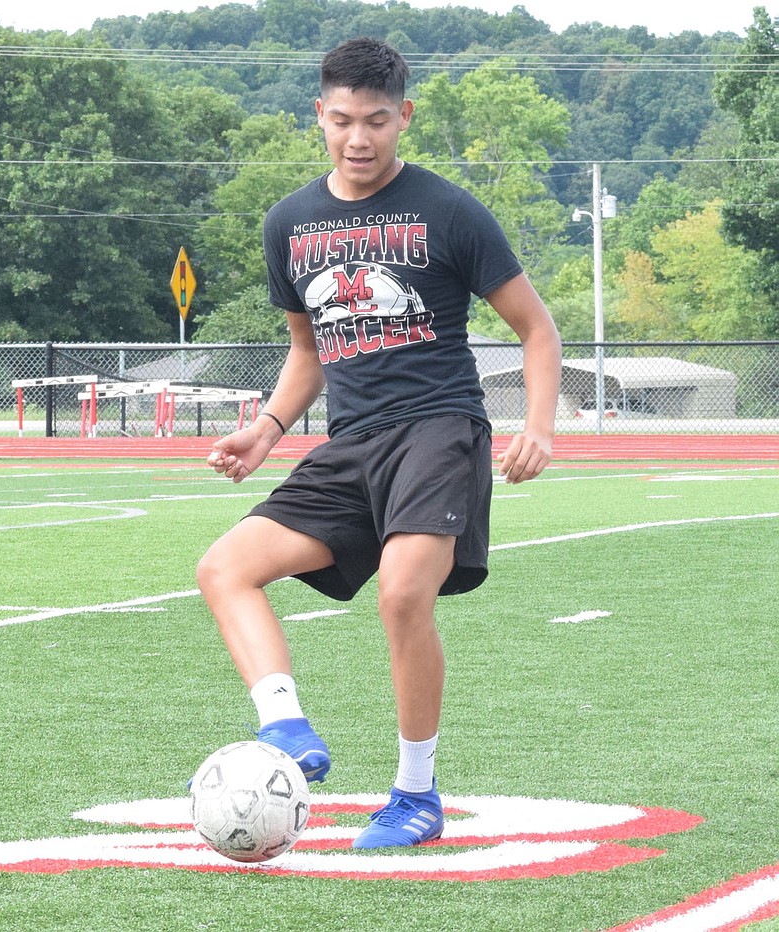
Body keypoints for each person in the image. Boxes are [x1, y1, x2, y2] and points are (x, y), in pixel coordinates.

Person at [196, 36, 562, 849]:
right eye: (341, 121)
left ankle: (415, 796)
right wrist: (265, 428)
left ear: (405, 117)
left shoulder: (452, 212)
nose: (358, 138)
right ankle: (287, 730)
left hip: (438, 430)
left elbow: (536, 329)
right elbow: (307, 350)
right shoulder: (289, 222)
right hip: (348, 444)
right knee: (224, 567)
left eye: (376, 121)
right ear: (318, 117)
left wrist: (538, 426)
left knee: (402, 596)